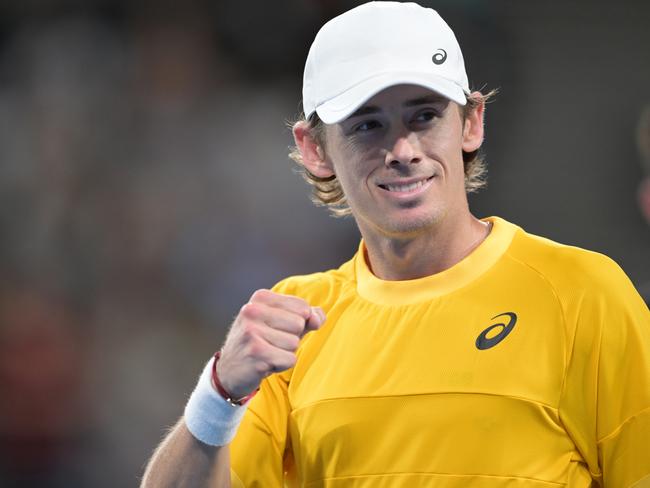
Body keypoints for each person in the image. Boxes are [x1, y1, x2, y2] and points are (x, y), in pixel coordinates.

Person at [141, 2, 650, 487]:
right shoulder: (292, 326)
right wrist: (220, 392)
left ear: (471, 122)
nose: (403, 151)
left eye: (424, 116)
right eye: (368, 126)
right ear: (315, 149)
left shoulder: (584, 295)